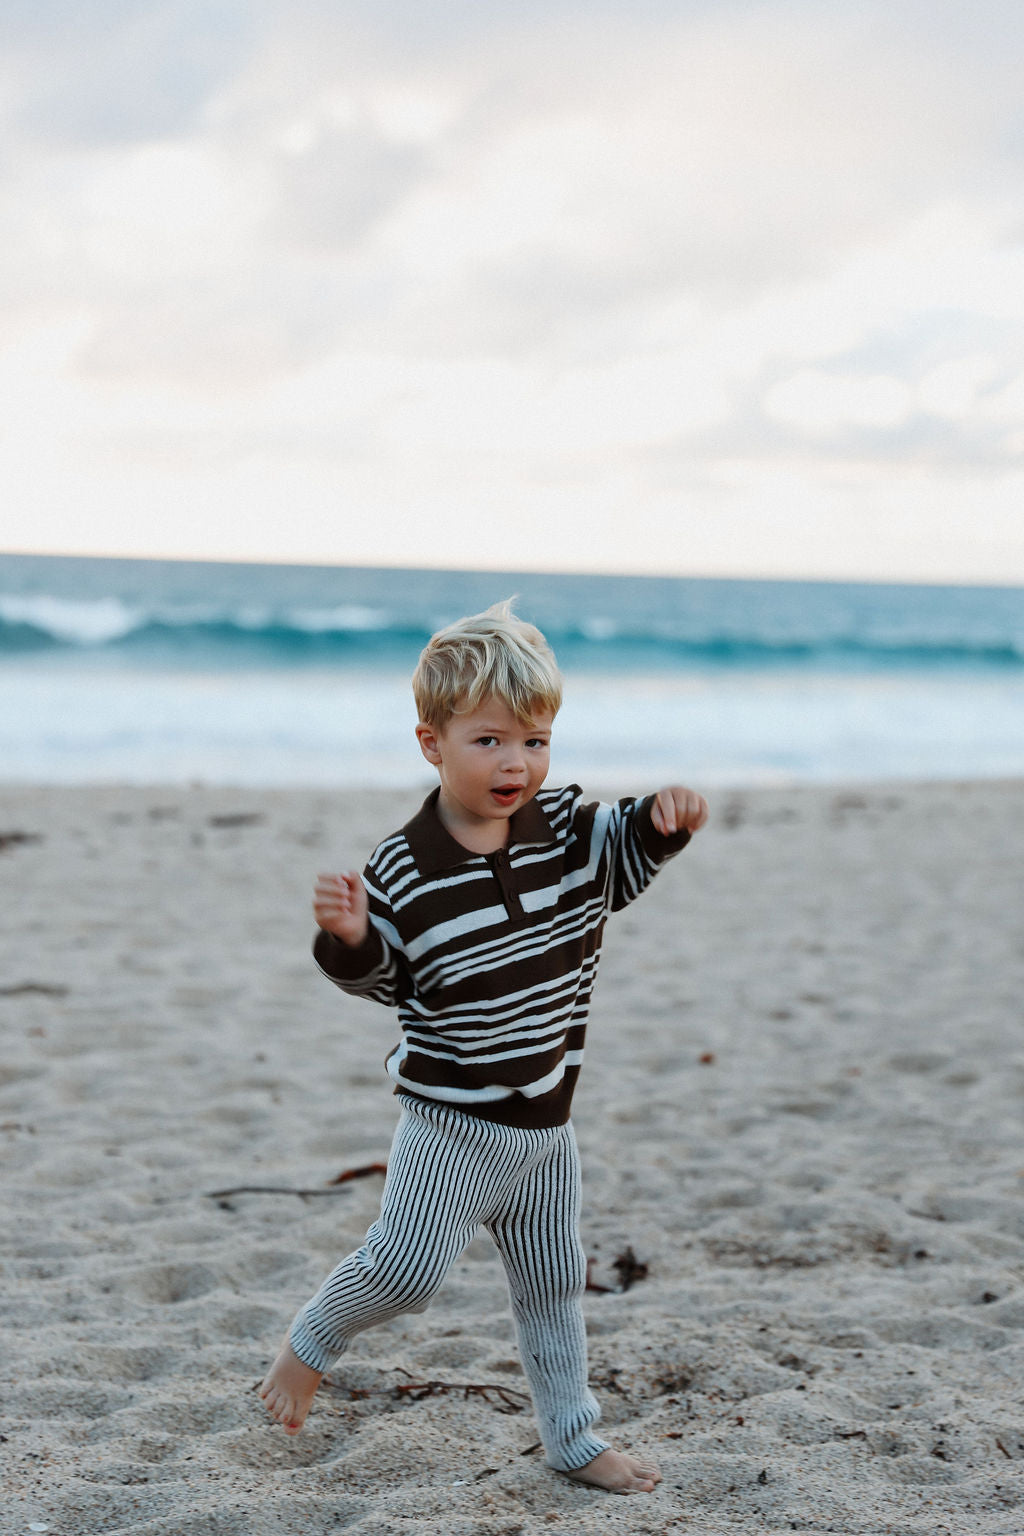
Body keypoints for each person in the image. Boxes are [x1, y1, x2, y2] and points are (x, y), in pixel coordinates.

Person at [260, 600, 708, 1495]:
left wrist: (663, 822)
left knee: (553, 1290)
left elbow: (621, 858)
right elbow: (384, 981)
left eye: (536, 742)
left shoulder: (570, 833)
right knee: (405, 1271)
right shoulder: (404, 867)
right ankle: (308, 1345)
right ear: (433, 743)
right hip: (451, 1125)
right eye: (491, 742)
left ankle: (573, 1441)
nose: (518, 763)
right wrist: (349, 938)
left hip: (549, 1125)